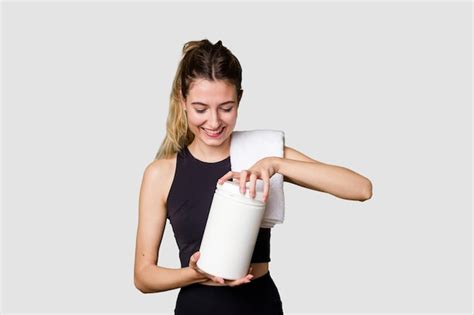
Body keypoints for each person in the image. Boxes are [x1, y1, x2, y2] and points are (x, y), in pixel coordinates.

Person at [133, 39, 373, 314]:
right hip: (198, 307)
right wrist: (198, 273)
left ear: (240, 99)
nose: (213, 122)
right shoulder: (161, 173)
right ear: (182, 100)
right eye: (201, 109)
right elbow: (143, 276)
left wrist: (275, 163)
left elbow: (361, 188)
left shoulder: (262, 153)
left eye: (226, 108)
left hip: (260, 306)